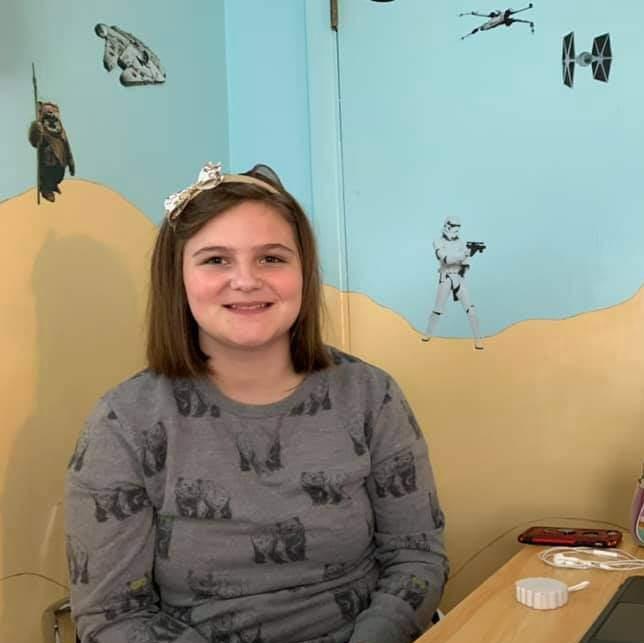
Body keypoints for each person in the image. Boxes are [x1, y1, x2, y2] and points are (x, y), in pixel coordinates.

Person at [65, 161, 449, 643]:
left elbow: (416, 556)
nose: (246, 280)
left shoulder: (371, 395)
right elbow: (112, 616)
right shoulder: (124, 422)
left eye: (271, 258)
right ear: (177, 278)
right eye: (215, 260)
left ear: (303, 272)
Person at [422, 216, 485, 350]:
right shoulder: (438, 242)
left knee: (471, 309)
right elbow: (446, 259)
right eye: (454, 229)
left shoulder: (461, 242)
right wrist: (466, 254)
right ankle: (428, 334)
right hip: (445, 278)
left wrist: (467, 260)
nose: (456, 232)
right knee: (438, 310)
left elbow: (465, 263)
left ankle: (478, 339)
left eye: (458, 230)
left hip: (458, 278)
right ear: (447, 226)